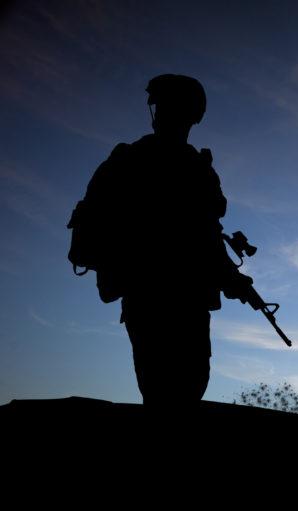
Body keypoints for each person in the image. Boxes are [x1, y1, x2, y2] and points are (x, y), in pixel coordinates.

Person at [69, 74, 251, 410]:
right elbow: (196, 235)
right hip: (156, 291)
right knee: (170, 390)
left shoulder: (191, 167)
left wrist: (230, 277)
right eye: (165, 107)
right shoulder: (138, 160)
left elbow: (205, 234)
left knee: (181, 387)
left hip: (174, 294)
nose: (165, 114)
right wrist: (227, 276)